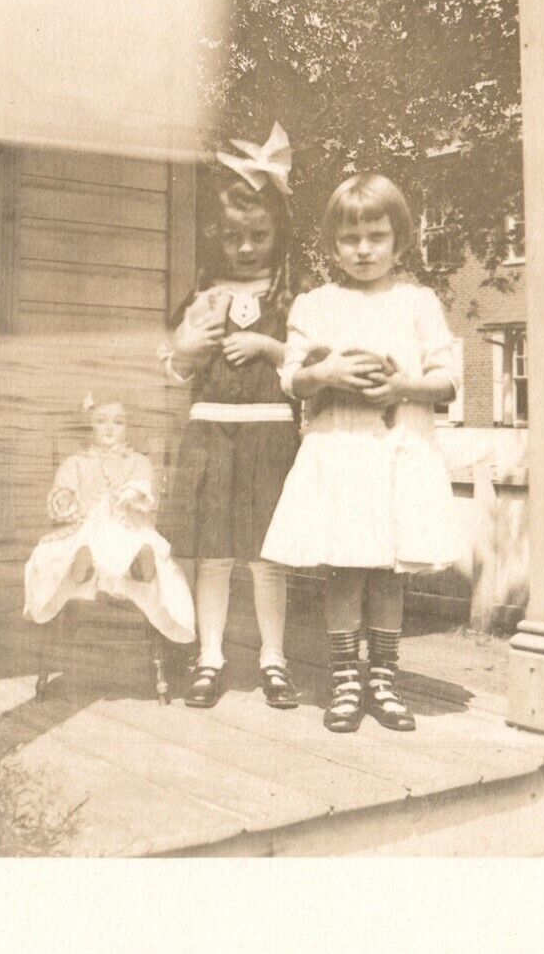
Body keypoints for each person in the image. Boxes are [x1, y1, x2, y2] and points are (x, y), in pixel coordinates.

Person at [261, 173, 462, 733]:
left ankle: (384, 681)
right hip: (343, 449)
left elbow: (447, 381)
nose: (365, 249)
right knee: (347, 568)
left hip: (398, 449)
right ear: (332, 245)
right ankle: (346, 679)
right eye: (351, 239)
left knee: (390, 573)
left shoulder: (417, 302)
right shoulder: (317, 303)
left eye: (378, 236)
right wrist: (327, 371)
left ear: (400, 240)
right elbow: (292, 378)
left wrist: (403, 388)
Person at [161, 123, 300, 710]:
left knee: (267, 556)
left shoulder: (293, 295)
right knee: (213, 552)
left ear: (278, 232)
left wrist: (270, 349)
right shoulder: (202, 294)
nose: (245, 248)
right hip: (211, 433)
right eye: (232, 237)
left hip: (269, 433)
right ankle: (210, 655)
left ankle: (273, 659)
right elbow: (176, 367)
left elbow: (312, 365)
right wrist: (191, 344)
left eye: (258, 235)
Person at [23, 396, 195, 654]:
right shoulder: (76, 462)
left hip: (126, 528)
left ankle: (139, 564)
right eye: (101, 422)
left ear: (128, 428)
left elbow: (147, 492)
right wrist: (67, 499)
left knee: (133, 544)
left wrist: (135, 494)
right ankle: (83, 564)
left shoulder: (138, 461)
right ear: (90, 426)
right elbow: (61, 495)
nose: (109, 428)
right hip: (85, 528)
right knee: (61, 550)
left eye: (118, 422)